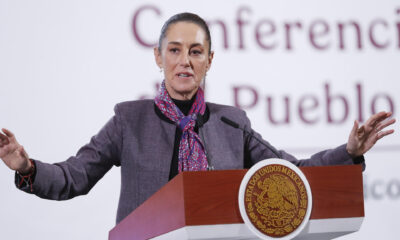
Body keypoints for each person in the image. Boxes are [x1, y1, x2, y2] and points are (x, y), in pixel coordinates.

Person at [0, 13, 396, 225]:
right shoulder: (128, 119)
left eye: (195, 51)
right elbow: (74, 177)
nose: (184, 61)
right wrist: (27, 167)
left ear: (209, 60)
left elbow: (291, 173)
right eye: (174, 50)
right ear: (159, 57)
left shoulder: (233, 123)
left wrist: (348, 151)